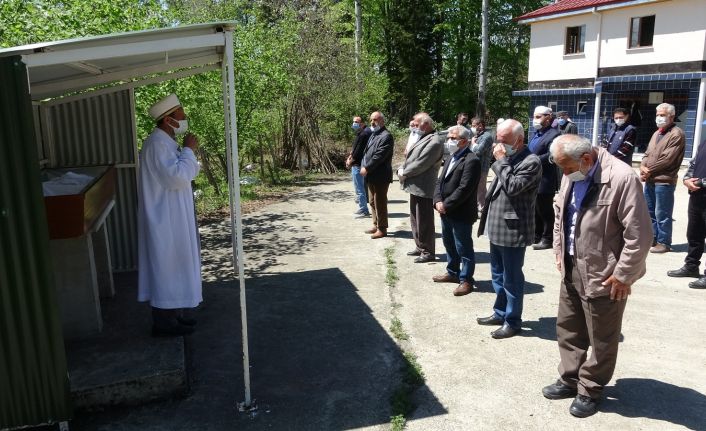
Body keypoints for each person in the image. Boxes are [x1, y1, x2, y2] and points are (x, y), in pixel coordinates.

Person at [542, 134, 652, 418]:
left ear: (587, 160)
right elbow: (561, 215)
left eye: (566, 168)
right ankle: (569, 377)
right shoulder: (572, 171)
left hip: (606, 273)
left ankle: (590, 388)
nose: (564, 174)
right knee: (569, 327)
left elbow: (639, 234)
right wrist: (558, 249)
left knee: (602, 336)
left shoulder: (622, 178)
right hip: (572, 265)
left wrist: (624, 274)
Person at [138, 93, 201, 337]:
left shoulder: (166, 143)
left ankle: (173, 316)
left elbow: (189, 172)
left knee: (174, 265)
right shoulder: (156, 144)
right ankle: (163, 323)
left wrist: (187, 153)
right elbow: (176, 178)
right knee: (166, 266)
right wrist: (188, 150)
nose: (185, 118)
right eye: (181, 114)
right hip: (164, 219)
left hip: (173, 215)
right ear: (168, 120)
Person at [476, 119, 541, 338]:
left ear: (520, 140)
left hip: (513, 229)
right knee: (497, 275)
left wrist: (501, 161)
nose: (499, 146)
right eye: (498, 140)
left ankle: (513, 321)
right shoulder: (509, 157)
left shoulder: (530, 161)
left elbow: (513, 187)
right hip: (497, 227)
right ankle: (500, 311)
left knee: (512, 278)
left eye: (504, 141)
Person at [432, 126, 481, 296]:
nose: (449, 141)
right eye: (448, 138)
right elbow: (440, 182)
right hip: (445, 210)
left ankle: (466, 280)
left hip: (460, 212)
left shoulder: (471, 160)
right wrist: (437, 200)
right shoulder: (452, 156)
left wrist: (447, 204)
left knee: (463, 247)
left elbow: (464, 188)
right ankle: (452, 272)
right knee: (449, 243)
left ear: (464, 141)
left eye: (453, 138)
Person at [640, 102, 686, 253]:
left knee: (663, 213)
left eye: (662, 115)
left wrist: (648, 170)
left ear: (671, 116)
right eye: (657, 115)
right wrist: (642, 166)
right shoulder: (657, 133)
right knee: (650, 211)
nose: (659, 118)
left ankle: (664, 242)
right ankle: (653, 238)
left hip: (664, 181)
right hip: (651, 179)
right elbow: (647, 153)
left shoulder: (676, 134)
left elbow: (667, 159)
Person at [398, 113, 444, 263]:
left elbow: (422, 163)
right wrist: (401, 167)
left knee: (424, 220)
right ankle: (419, 246)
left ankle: (428, 251)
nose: (414, 127)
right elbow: (411, 157)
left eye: (417, 124)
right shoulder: (423, 137)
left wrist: (404, 172)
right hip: (415, 184)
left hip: (424, 185)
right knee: (415, 218)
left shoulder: (435, 141)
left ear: (426, 124)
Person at [667, 137, 706, 289]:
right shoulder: (703, 143)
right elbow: (693, 163)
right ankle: (691, 266)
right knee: (694, 234)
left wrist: (701, 182)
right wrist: (687, 179)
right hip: (697, 196)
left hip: (701, 189)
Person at [528, 106, 561, 250]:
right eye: (534, 116)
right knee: (535, 208)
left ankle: (548, 238)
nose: (535, 120)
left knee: (545, 209)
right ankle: (536, 235)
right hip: (532, 177)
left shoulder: (554, 134)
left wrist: (532, 160)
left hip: (545, 178)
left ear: (548, 117)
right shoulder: (536, 133)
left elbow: (552, 155)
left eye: (538, 116)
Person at [361, 111, 394, 239]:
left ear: (382, 121)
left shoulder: (386, 136)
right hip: (371, 175)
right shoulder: (374, 134)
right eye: (371, 120)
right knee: (372, 201)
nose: (372, 122)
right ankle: (376, 224)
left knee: (380, 202)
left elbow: (379, 156)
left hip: (380, 175)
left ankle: (382, 228)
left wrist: (367, 167)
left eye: (375, 119)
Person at [346, 116, 372, 218]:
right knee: (362, 187)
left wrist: (350, 161)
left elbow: (358, 151)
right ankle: (363, 208)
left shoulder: (364, 133)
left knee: (359, 188)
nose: (354, 124)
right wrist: (350, 156)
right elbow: (355, 148)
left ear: (362, 123)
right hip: (362, 163)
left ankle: (363, 209)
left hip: (358, 164)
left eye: (356, 122)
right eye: (353, 122)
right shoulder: (364, 132)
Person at [470, 117, 494, 211]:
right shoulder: (477, 136)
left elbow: (478, 151)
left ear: (480, 126)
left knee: (481, 188)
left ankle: (483, 207)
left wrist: (473, 143)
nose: (472, 128)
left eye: (473, 125)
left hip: (482, 167)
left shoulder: (487, 136)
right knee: (476, 188)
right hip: (474, 166)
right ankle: (478, 206)